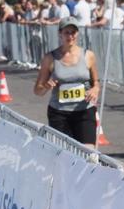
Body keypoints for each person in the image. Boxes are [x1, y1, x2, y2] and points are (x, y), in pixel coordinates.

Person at [33, 16, 100, 146]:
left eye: (73, 32)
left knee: (89, 153)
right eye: (66, 32)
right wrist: (46, 86)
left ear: (77, 33)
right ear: (60, 34)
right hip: (59, 113)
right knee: (64, 154)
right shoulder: (50, 58)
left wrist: (95, 89)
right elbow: (37, 91)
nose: (70, 36)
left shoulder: (88, 55)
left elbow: (96, 82)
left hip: (84, 111)